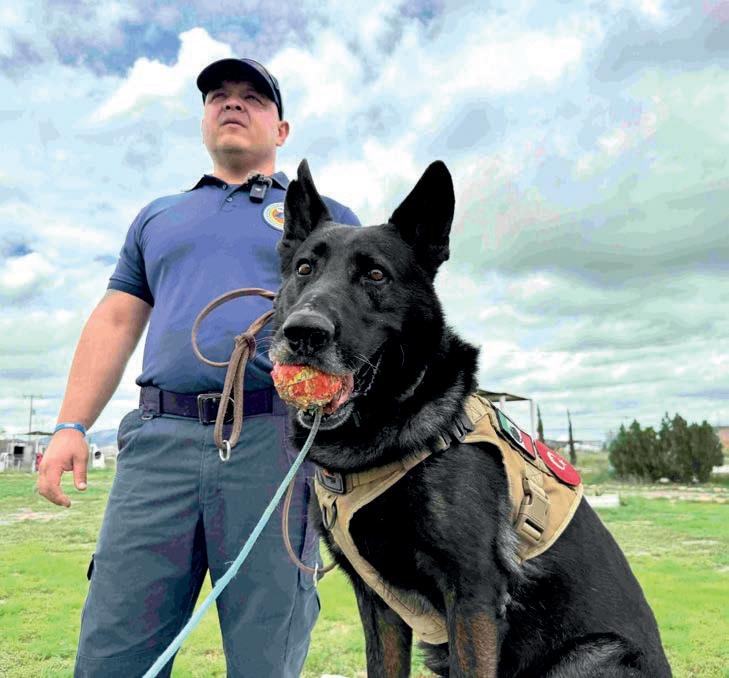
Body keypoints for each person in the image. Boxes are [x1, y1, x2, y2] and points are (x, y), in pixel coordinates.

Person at [37, 57, 360, 677]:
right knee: (114, 648)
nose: (232, 103)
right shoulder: (159, 215)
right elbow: (116, 319)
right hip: (158, 442)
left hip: (276, 441)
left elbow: (366, 316)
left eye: (252, 97)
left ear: (282, 130)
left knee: (268, 653)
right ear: (204, 120)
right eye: (218, 96)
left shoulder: (326, 216)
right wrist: (71, 425)